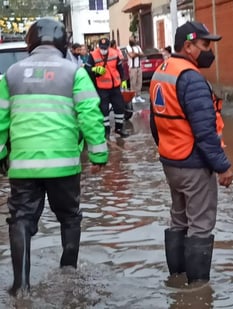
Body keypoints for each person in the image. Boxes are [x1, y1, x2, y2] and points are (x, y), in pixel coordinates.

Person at [0, 17, 108, 296]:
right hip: (64, 165)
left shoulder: (11, 74)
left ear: (30, 42)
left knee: (20, 219)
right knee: (70, 217)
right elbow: (90, 116)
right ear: (62, 43)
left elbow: (0, 121)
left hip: (23, 167)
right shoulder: (74, 72)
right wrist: (98, 155)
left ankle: (20, 286)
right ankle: (69, 274)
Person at [149, 21, 233, 285]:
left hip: (172, 161)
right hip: (194, 164)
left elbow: (155, 123)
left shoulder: (162, 72)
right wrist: (222, 166)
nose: (210, 51)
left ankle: (177, 279)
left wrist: (167, 150)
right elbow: (205, 132)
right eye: (205, 45)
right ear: (188, 46)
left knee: (179, 219)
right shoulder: (191, 78)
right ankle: (197, 289)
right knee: (200, 225)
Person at [85, 37, 129, 138]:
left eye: (105, 48)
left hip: (115, 86)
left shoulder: (114, 53)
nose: (103, 50)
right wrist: (95, 69)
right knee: (104, 110)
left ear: (108, 47)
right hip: (102, 87)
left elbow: (120, 68)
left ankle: (119, 128)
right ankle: (106, 131)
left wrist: (123, 80)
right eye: (101, 48)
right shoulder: (93, 55)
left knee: (119, 107)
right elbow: (87, 69)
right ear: (98, 47)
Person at [126, 37, 145, 103]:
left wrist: (136, 54)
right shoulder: (128, 47)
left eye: (133, 39)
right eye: (131, 40)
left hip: (139, 67)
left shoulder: (138, 47)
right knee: (133, 83)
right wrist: (138, 54)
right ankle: (133, 97)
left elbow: (142, 54)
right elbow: (131, 55)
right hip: (132, 67)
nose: (133, 41)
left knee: (139, 82)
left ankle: (138, 96)